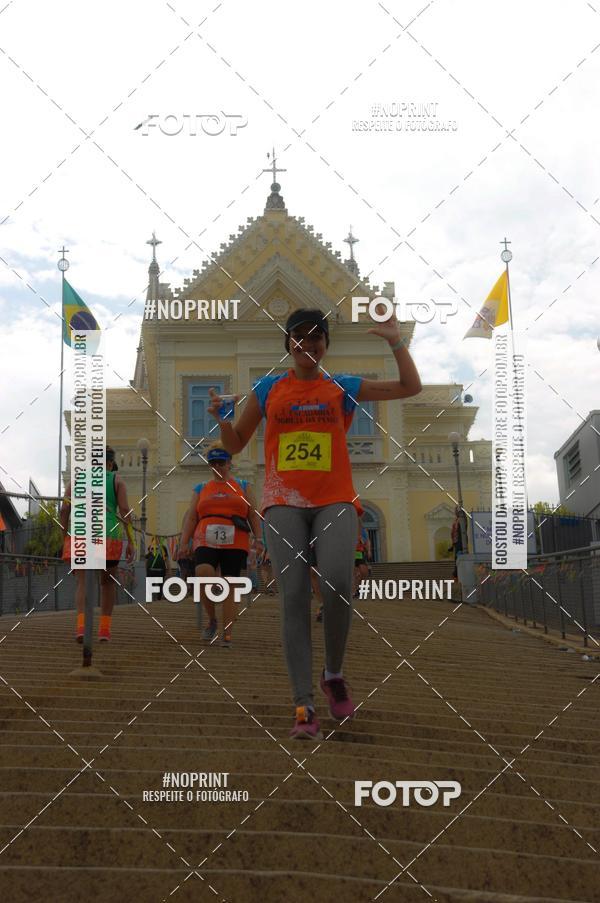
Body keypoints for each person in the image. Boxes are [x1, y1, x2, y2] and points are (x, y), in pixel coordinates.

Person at [208, 305, 422, 739]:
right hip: (282, 501)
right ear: (288, 343)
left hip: (335, 498)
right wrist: (223, 422)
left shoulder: (342, 386)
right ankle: (303, 704)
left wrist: (396, 341)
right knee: (293, 597)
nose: (308, 343)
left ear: (326, 344)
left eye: (316, 336)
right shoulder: (268, 388)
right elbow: (235, 443)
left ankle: (334, 673)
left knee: (339, 584)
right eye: (299, 336)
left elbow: (409, 387)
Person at [179, 444, 263, 646]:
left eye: (221, 462)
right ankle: (212, 619)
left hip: (236, 538)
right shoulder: (201, 488)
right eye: (213, 463)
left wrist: (259, 539)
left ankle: (227, 633)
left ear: (229, 463)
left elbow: (253, 514)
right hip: (205, 536)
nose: (217, 466)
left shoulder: (243, 486)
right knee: (202, 573)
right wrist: (183, 542)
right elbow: (192, 517)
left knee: (230, 583)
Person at [60, 445, 135, 642]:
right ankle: (104, 630)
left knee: (83, 581)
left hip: (80, 534)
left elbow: (64, 510)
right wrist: (131, 541)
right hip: (108, 535)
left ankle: (82, 627)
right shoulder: (116, 480)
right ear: (110, 463)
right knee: (107, 582)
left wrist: (64, 537)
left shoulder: (76, 479)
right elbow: (125, 510)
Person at [450, 506, 463, 580]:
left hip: (460, 542)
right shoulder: (456, 520)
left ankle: (456, 574)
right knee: (456, 558)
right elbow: (453, 532)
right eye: (455, 511)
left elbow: (460, 531)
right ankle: (456, 574)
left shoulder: (461, 519)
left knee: (458, 557)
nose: (455, 512)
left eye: (456, 511)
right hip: (456, 542)